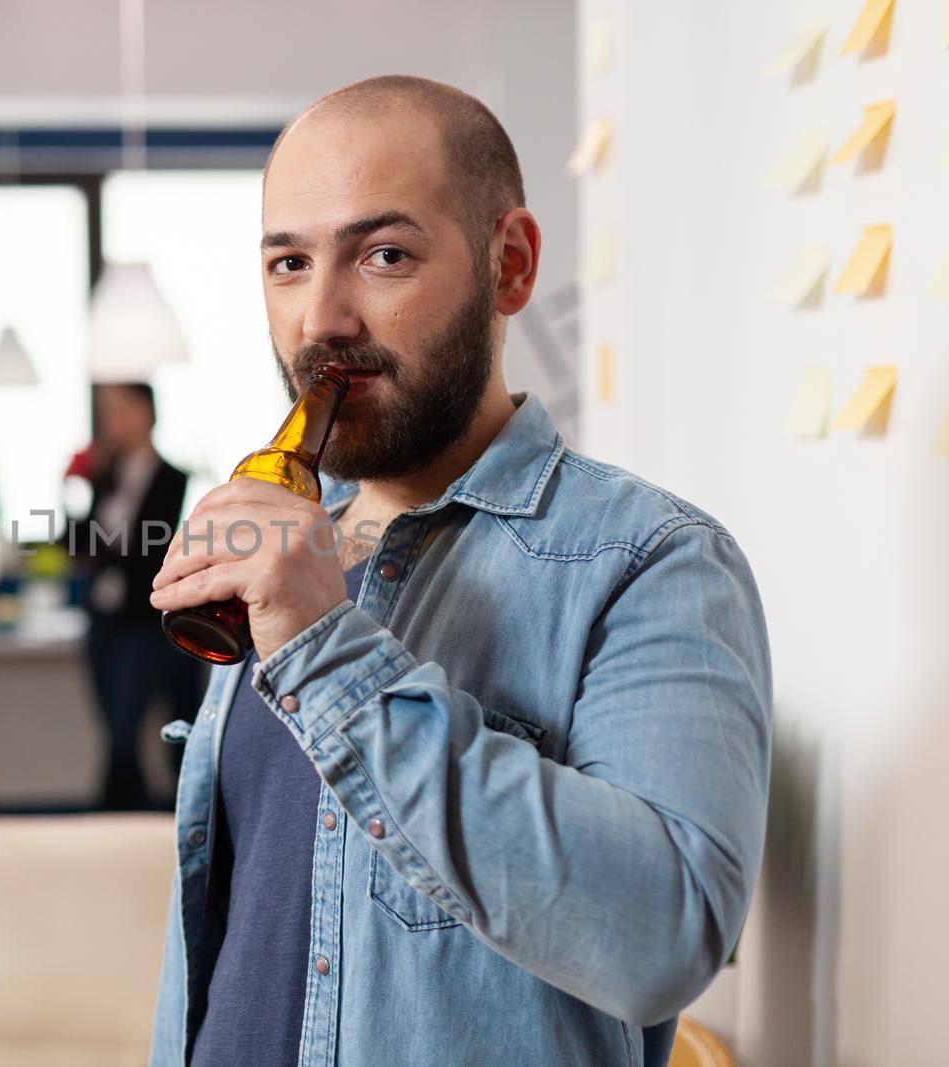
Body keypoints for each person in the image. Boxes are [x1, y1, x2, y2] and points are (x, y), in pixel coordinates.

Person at [144, 76, 772, 1067]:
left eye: (383, 255)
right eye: (288, 262)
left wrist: (324, 646)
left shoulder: (652, 560)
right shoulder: (282, 555)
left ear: (509, 266)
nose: (322, 319)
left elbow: (662, 935)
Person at [73, 383, 203, 810]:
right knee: (113, 727)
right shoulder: (104, 477)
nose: (113, 422)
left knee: (125, 732)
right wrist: (72, 488)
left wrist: (105, 548)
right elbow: (75, 543)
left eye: (120, 411)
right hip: (103, 619)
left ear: (146, 414)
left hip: (140, 624)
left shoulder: (171, 478)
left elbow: (149, 552)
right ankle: (128, 813)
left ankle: (117, 815)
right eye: (108, 413)